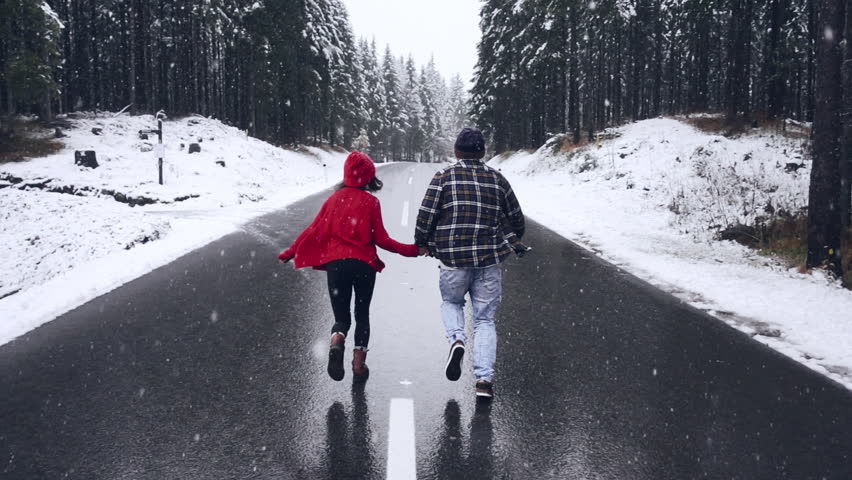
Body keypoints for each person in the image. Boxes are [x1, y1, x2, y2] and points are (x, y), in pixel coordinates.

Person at [279, 151, 420, 382]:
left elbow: (312, 230)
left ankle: (337, 339)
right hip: (364, 265)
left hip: (337, 266)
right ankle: (358, 364)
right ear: (369, 177)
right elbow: (382, 240)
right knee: (362, 314)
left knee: (342, 317)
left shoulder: (333, 201)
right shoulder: (371, 202)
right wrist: (411, 250)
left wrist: (290, 252)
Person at [415, 128, 526, 399]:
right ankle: (484, 380)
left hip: (453, 259)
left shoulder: (443, 177)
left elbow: (426, 215)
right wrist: (510, 237)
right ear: (482, 152)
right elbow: (516, 219)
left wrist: (423, 242)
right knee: (485, 319)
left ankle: (457, 339)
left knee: (452, 303)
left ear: (456, 151)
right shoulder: (498, 180)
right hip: (488, 261)